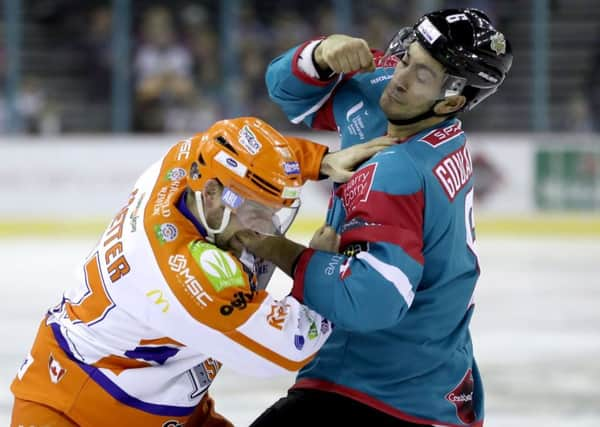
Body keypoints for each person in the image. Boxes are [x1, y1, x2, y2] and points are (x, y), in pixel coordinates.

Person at [10, 117, 393, 427]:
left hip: (156, 401)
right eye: (255, 209)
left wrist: (318, 161)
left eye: (276, 210)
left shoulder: (190, 163)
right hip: (76, 412)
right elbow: (292, 346)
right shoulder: (185, 275)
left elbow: (248, 152)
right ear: (211, 195)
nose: (266, 225)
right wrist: (317, 271)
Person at [234, 8, 513, 427]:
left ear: (453, 99)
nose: (399, 77)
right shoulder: (405, 105)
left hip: (375, 389)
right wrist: (320, 55)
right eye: (407, 59)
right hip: (431, 379)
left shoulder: (400, 168)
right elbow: (285, 90)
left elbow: (373, 301)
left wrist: (282, 251)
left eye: (422, 75)